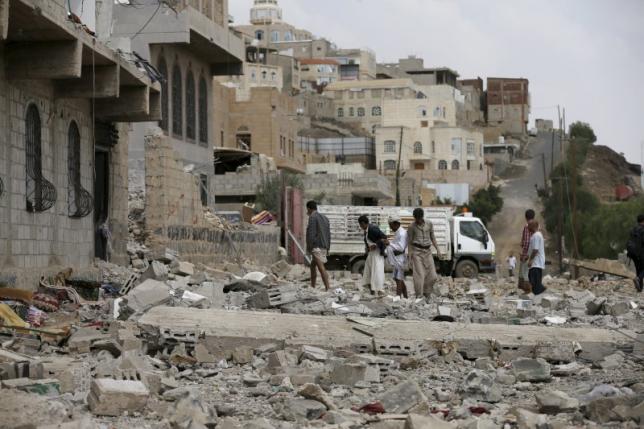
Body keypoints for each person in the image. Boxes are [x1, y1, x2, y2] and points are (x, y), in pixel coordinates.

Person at [407, 208, 442, 299]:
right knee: (420, 276)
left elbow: (433, 237)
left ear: (422, 217)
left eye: (419, 218)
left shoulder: (429, 224)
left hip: (428, 252)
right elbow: (410, 243)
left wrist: (438, 250)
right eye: (416, 218)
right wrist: (410, 258)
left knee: (433, 276)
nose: (417, 220)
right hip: (417, 252)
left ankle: (427, 292)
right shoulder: (411, 227)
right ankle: (419, 296)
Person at [358, 215, 387, 295]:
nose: (360, 227)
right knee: (368, 271)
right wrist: (367, 248)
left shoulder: (372, 229)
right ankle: (372, 290)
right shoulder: (366, 231)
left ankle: (380, 290)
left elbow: (384, 237)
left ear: (364, 223)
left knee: (377, 271)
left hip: (377, 253)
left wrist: (375, 245)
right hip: (371, 254)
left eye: (361, 225)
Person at [305, 201, 331, 291]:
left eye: (307, 209)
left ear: (308, 208)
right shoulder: (325, 218)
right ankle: (312, 287)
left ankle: (328, 288)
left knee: (320, 267)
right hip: (324, 245)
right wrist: (328, 247)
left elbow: (311, 233)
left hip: (316, 246)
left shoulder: (312, 217)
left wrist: (310, 247)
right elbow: (328, 234)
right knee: (313, 266)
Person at [386, 214, 408, 298]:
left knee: (399, 279)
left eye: (391, 225)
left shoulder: (402, 233)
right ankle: (405, 297)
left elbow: (401, 247)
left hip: (400, 258)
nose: (390, 228)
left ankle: (398, 297)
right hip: (396, 258)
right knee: (398, 278)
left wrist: (389, 243)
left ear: (396, 224)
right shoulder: (398, 232)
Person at [527, 219, 546, 295]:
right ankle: (540, 293)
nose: (528, 227)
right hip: (536, 263)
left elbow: (535, 250)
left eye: (529, 225)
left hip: (536, 263)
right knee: (534, 281)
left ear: (533, 226)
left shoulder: (536, 236)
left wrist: (530, 260)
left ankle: (539, 296)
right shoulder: (536, 235)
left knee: (535, 283)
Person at [519, 209, 536, 293]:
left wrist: (523, 254)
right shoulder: (538, 226)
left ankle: (527, 291)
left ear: (526, 217)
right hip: (536, 253)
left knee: (525, 272)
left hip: (528, 253)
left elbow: (526, 242)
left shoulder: (527, 226)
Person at [626, 214, 644, 292]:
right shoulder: (643, 229)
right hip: (641, 252)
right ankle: (638, 279)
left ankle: (639, 288)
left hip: (632, 253)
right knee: (643, 269)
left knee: (638, 269)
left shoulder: (633, 229)